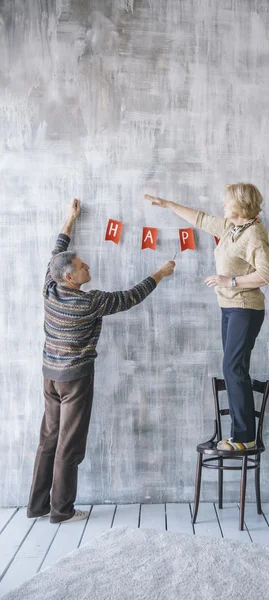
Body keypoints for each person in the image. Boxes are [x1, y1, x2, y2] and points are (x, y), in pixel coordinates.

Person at [27, 199, 175, 523]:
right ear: (69, 278)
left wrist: (70, 218)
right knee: (69, 445)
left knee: (49, 438)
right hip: (75, 379)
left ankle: (37, 505)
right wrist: (160, 273)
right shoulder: (90, 302)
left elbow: (57, 251)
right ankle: (61, 511)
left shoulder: (49, 287)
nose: (89, 269)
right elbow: (131, 297)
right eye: (83, 268)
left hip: (50, 376)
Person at [144, 183, 269, 451]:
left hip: (245, 308)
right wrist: (168, 204)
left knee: (233, 368)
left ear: (240, 205)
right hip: (229, 308)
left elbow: (268, 274)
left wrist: (231, 281)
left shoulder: (254, 234)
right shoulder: (232, 228)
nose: (223, 205)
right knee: (234, 368)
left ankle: (244, 438)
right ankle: (241, 434)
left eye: (227, 201)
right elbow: (200, 219)